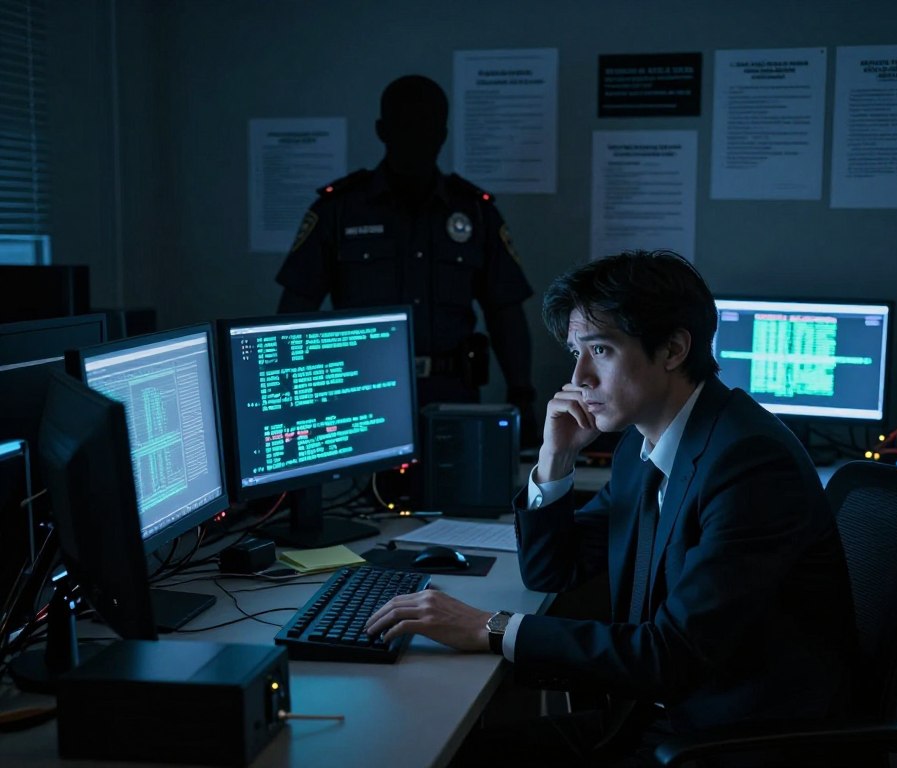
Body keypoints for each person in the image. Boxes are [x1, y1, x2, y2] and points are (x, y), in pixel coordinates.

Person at [364, 250, 857, 764]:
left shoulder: (749, 463)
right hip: (657, 718)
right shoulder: (643, 445)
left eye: (600, 350)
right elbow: (553, 569)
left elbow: (672, 655)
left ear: (672, 349)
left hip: (724, 741)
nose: (579, 377)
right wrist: (555, 459)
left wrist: (489, 627)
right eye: (576, 351)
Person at [275, 74, 538, 445]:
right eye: (406, 126)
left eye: (427, 127)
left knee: (454, 497)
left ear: (442, 134)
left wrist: (522, 394)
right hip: (361, 395)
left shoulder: (474, 213)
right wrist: (288, 400)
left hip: (451, 397)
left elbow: (505, 310)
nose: (417, 137)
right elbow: (294, 315)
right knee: (363, 503)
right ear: (383, 130)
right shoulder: (339, 211)